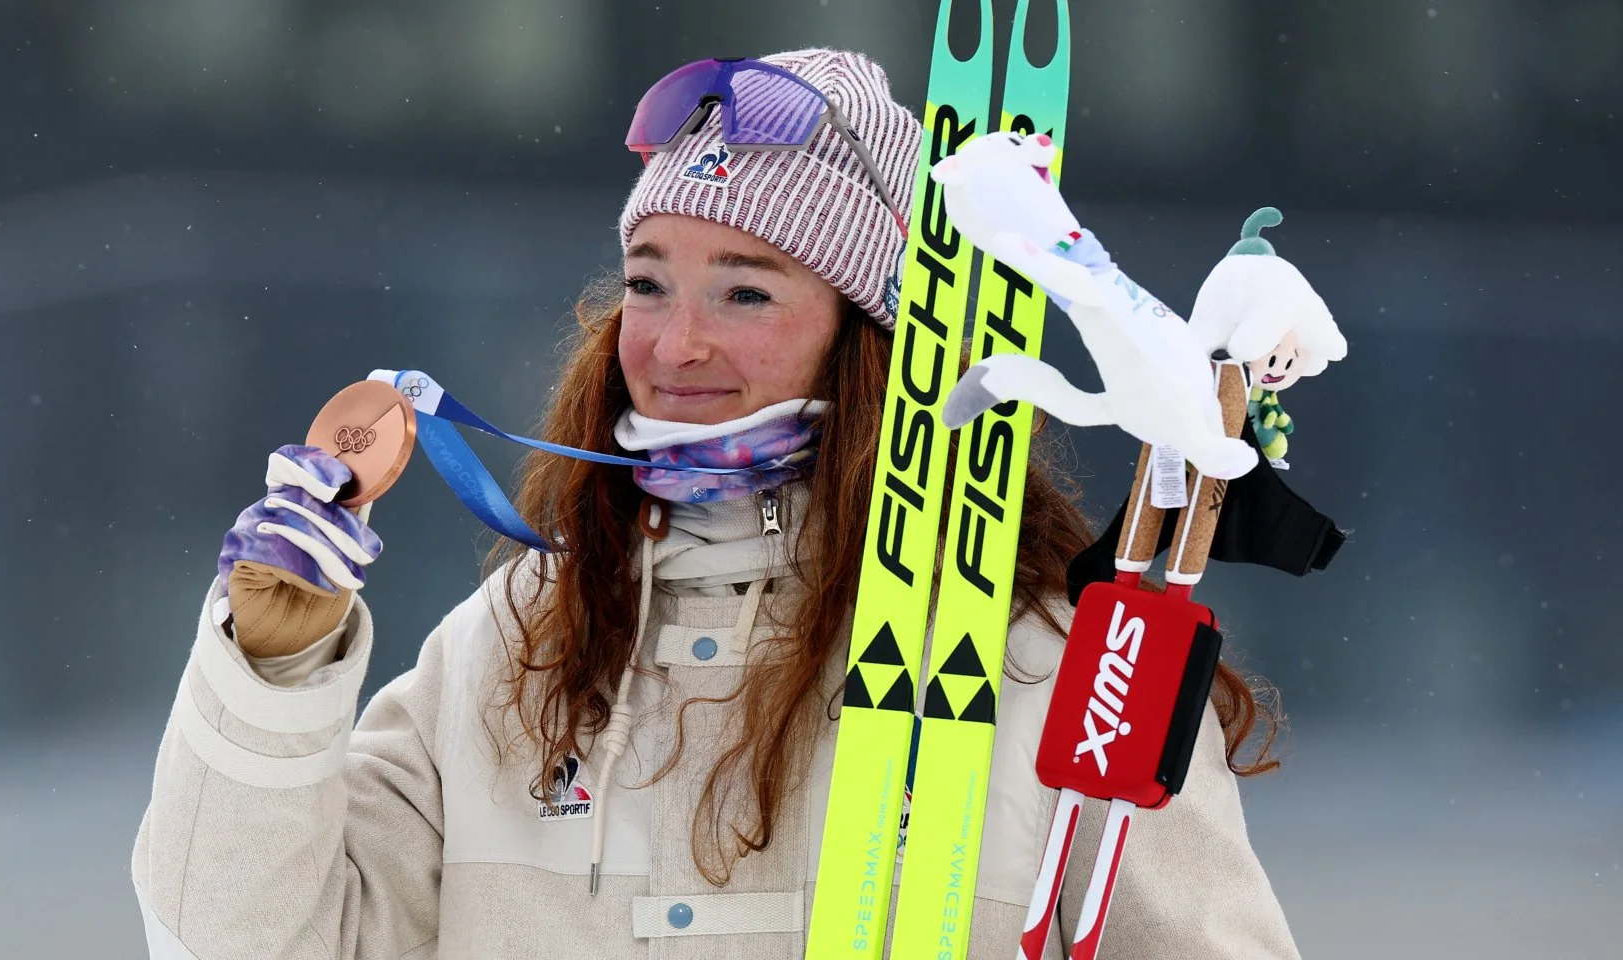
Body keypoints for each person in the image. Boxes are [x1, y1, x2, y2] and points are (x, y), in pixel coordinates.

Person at [130, 48, 1301, 960]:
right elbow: (236, 941)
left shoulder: (1056, 662)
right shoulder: (514, 648)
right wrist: (270, 685)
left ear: (871, 338)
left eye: (746, 291)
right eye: (649, 284)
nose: (675, 343)